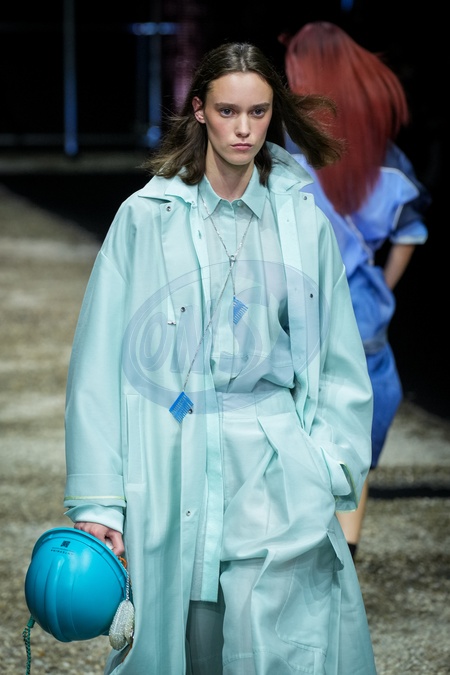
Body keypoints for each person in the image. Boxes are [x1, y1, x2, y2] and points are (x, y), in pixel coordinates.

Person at [63, 41, 377, 674]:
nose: (243, 129)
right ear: (199, 110)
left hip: (275, 464)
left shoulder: (302, 222)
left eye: (258, 113)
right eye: (228, 111)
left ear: (273, 113)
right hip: (174, 449)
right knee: (186, 647)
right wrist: (99, 502)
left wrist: (327, 466)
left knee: (277, 651)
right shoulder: (145, 219)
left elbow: (339, 355)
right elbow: (97, 365)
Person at [279, 22, 431, 561]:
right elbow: (410, 231)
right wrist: (378, 286)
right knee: (358, 434)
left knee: (298, 429)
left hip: (302, 311)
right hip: (363, 313)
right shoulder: (385, 157)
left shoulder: (289, 152)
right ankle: (347, 547)